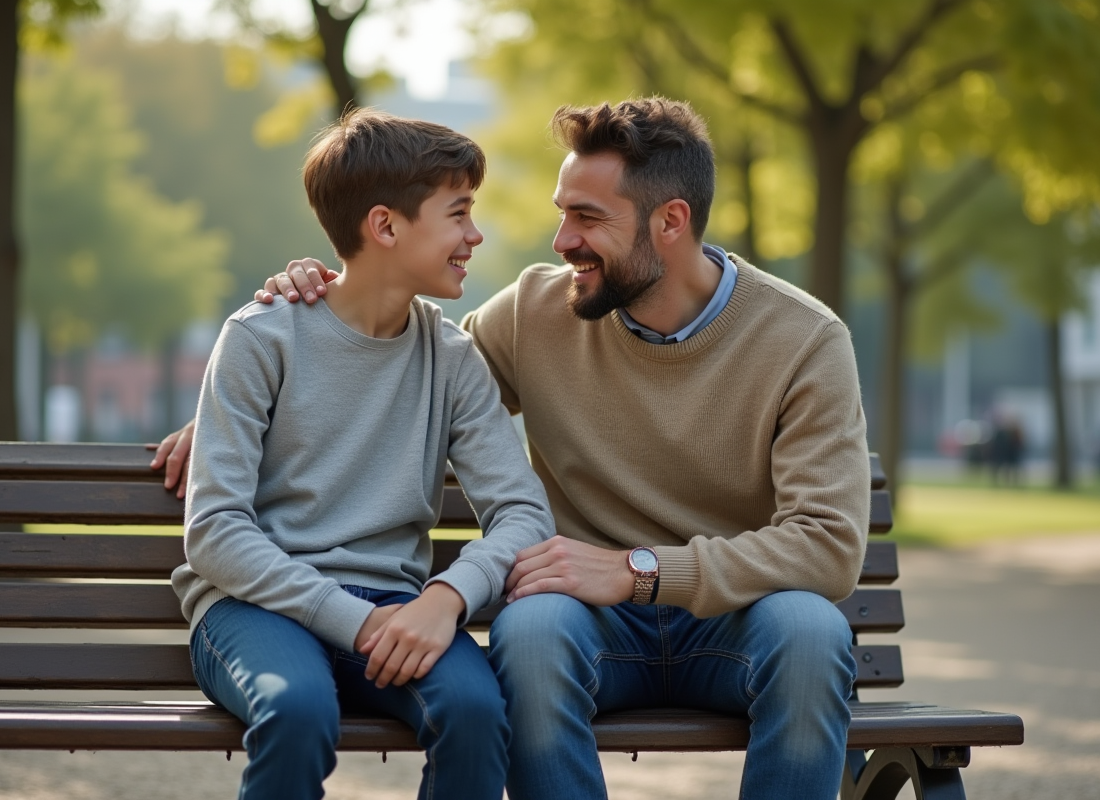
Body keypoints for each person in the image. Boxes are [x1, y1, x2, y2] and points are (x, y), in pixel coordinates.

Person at [154, 97, 870, 800]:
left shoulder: (804, 340)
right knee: (528, 634)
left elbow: (829, 546)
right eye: (562, 213)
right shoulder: (529, 316)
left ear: (671, 222)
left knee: (811, 632)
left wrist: (636, 570)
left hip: (736, 615)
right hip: (579, 619)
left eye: (587, 218)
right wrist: (225, 421)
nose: (560, 242)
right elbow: (367, 356)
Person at [169, 108, 555, 800]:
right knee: (296, 709)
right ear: (385, 226)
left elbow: (523, 512)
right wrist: (356, 620)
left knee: (474, 712)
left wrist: (446, 597)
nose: (475, 234)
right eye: (458, 213)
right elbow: (215, 532)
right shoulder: (262, 338)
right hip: (257, 606)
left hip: (398, 605)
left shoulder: (454, 359)